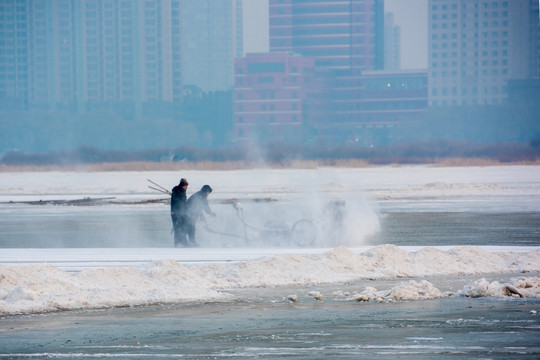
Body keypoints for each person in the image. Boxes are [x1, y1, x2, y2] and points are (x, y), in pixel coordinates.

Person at [170, 178, 189, 247]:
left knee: (183, 227)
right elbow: (175, 202)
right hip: (176, 212)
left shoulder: (182, 191)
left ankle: (183, 242)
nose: (187, 187)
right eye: (186, 185)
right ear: (182, 185)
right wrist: (173, 211)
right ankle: (178, 243)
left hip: (182, 212)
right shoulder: (177, 191)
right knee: (177, 228)